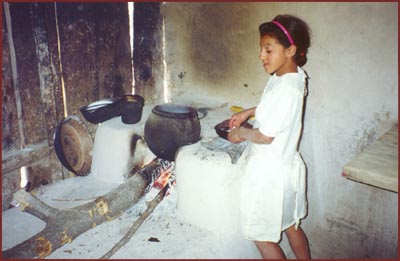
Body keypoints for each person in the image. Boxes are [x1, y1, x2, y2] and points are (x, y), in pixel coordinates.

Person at [228, 14, 311, 259]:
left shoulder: (285, 88)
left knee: (262, 236)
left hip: (270, 177)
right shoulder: (291, 77)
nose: (261, 56)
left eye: (268, 50)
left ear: (290, 50)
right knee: (290, 225)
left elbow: (265, 136)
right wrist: (249, 111)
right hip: (286, 169)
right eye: (261, 49)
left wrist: (240, 133)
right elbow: (275, 108)